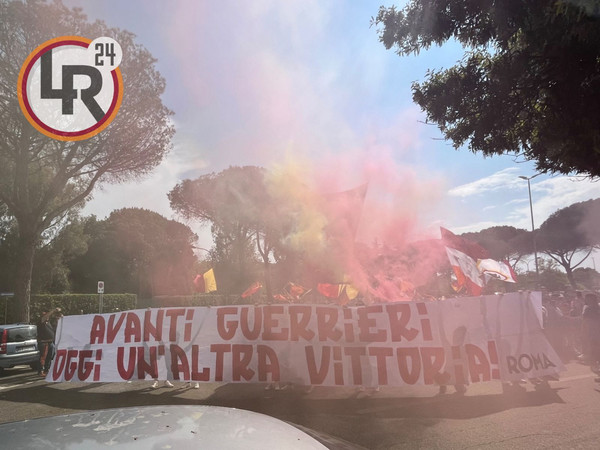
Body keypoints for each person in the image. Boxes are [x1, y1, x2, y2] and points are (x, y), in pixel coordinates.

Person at [36, 307, 62, 376]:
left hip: (50, 342)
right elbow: (45, 317)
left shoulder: (49, 322)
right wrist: (53, 310)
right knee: (43, 357)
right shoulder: (41, 321)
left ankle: (46, 370)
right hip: (44, 342)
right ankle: (40, 371)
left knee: (49, 357)